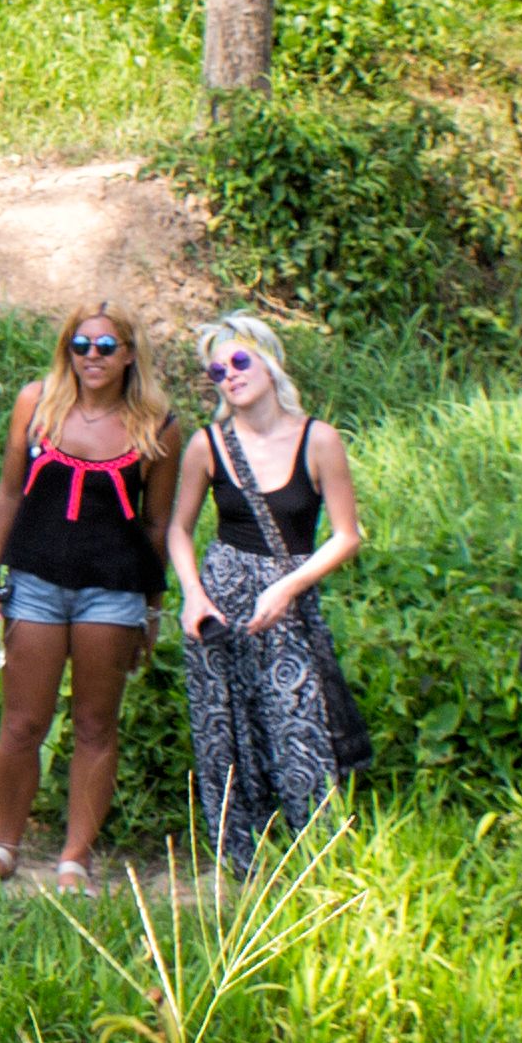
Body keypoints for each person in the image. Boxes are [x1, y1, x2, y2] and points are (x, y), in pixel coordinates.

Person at [0, 298, 163, 889]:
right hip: (36, 586)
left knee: (96, 724)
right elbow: (8, 495)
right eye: (81, 345)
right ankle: (4, 845)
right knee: (23, 722)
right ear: (66, 350)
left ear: (128, 355)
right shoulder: (38, 403)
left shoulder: (157, 424)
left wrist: (153, 608)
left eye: (105, 347)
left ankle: (75, 856)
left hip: (114, 593)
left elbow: (156, 524)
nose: (91, 357)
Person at [163, 312, 361, 880]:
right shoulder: (208, 445)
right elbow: (179, 528)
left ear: (270, 362)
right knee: (224, 731)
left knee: (300, 726)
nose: (230, 375)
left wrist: (289, 587)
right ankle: (240, 865)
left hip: (288, 603)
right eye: (217, 369)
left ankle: (316, 859)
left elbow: (346, 534)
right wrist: (192, 597)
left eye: (240, 360)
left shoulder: (318, 439)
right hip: (221, 600)